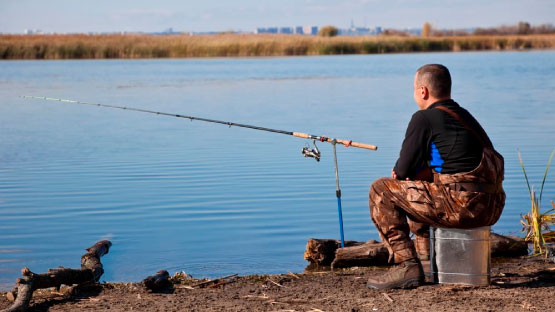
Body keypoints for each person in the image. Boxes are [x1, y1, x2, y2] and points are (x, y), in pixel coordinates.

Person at [366, 64, 505, 289]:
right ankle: (426, 262)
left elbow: (402, 170)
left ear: (423, 91)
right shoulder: (464, 116)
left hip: (463, 207)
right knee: (420, 184)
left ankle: (407, 265)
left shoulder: (424, 118)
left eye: (413, 89)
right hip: (491, 206)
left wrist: (404, 174)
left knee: (381, 190)